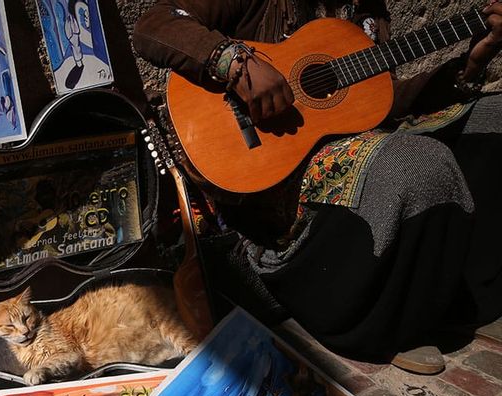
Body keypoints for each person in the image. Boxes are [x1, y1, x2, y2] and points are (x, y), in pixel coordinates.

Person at [133, 0, 502, 374]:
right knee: (418, 161)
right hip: (275, 170)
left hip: (355, 138)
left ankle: (460, 292)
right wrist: (238, 65)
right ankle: (391, 325)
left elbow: (380, 101)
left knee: (494, 116)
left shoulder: (367, 10)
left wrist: (470, 64)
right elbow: (153, 25)